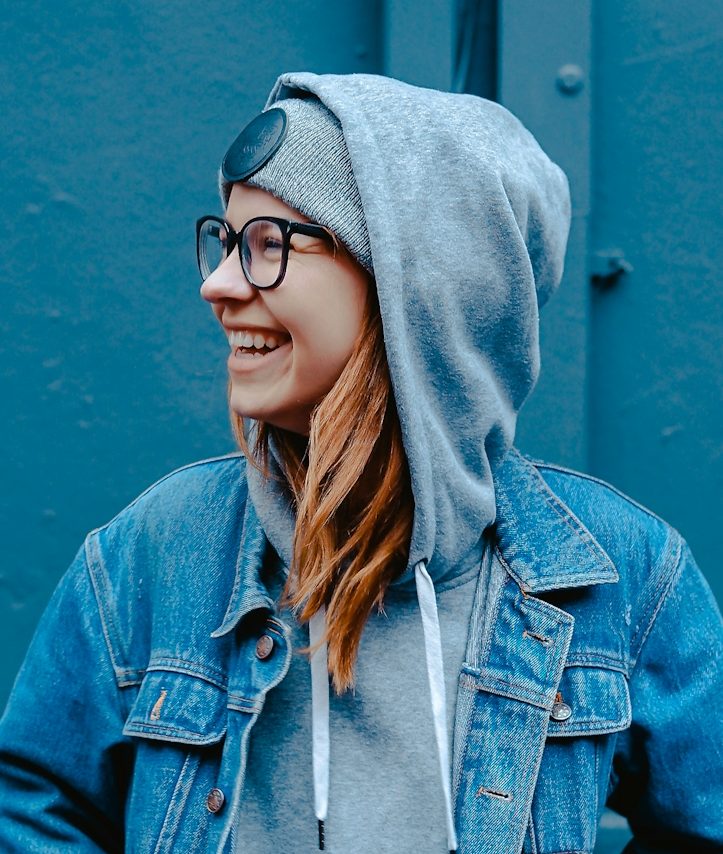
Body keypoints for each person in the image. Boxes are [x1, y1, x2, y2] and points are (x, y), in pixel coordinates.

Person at [0, 71, 721, 854]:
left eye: (268, 246)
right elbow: (32, 808)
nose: (217, 284)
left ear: (419, 287)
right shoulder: (154, 553)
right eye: (227, 241)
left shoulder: (623, 578)